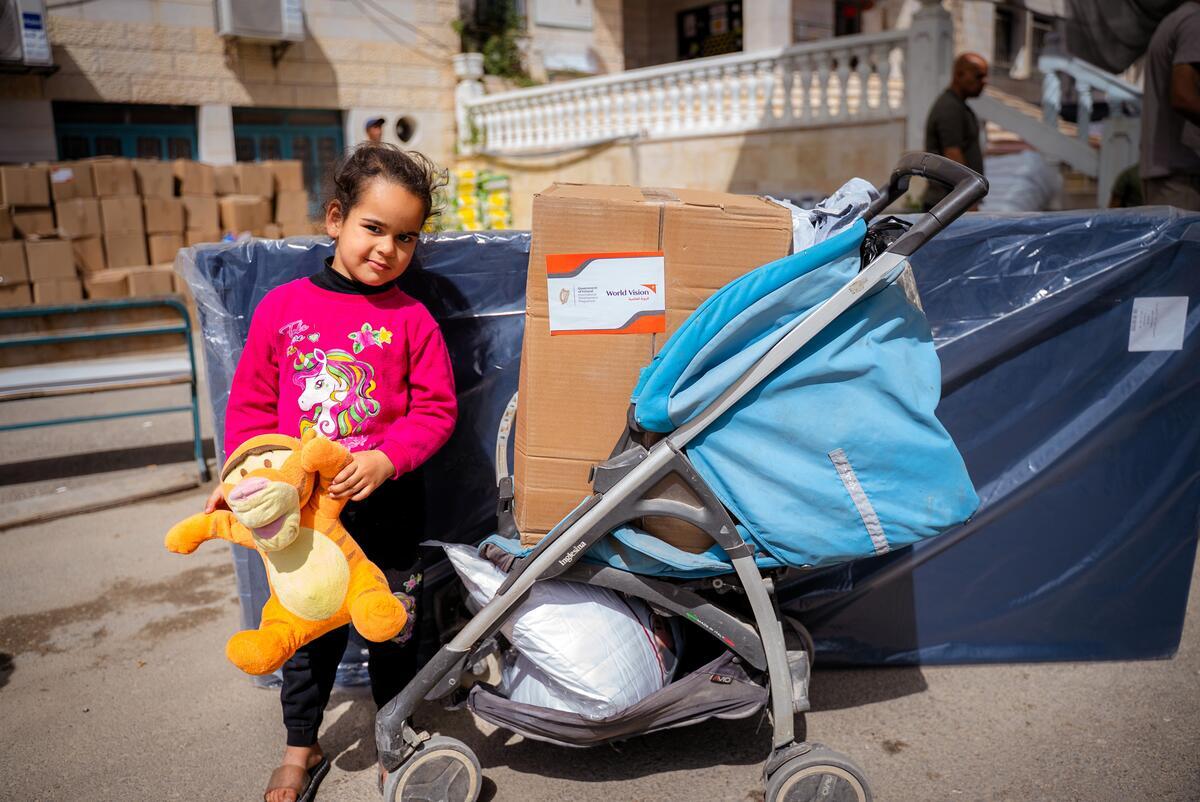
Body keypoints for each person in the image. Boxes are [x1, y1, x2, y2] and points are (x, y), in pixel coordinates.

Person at [207, 142, 457, 802]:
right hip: (303, 517)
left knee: (393, 627)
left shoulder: (414, 320)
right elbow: (253, 407)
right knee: (309, 631)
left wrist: (386, 458)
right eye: (374, 228)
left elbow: (436, 410)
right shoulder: (282, 308)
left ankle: (392, 739)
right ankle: (302, 745)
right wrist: (242, 480)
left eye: (406, 237)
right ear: (336, 219)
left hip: (390, 507)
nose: (388, 249)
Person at [1140, 2, 1200, 210]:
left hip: (1171, 177)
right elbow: (1183, 97)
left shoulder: (1178, 19)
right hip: (1182, 179)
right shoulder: (1195, 22)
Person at [922, 53, 989, 211]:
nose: (984, 82)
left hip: (952, 202)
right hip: (947, 204)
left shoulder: (958, 106)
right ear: (959, 74)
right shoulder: (950, 108)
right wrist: (968, 200)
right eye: (979, 76)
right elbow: (953, 155)